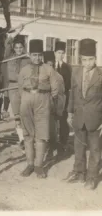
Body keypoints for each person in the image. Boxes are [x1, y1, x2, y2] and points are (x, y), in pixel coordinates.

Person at [18, 39, 59, 178]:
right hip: (27, 100)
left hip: (43, 101)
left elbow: (55, 89)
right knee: (28, 134)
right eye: (34, 55)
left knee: (41, 135)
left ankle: (39, 166)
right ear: (29, 55)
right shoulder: (24, 70)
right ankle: (30, 164)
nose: (36, 58)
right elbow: (19, 88)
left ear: (42, 55)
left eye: (39, 55)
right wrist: (25, 99)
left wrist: (48, 102)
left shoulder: (49, 69)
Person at [65, 39, 102, 190]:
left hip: (95, 119)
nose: (87, 63)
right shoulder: (76, 72)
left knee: (94, 149)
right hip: (79, 117)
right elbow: (72, 93)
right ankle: (79, 173)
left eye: (90, 60)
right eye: (84, 60)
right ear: (81, 59)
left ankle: (92, 177)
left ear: (95, 59)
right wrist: (69, 113)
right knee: (78, 146)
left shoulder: (100, 75)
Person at [4, 25, 29, 149]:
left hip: (24, 88)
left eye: (21, 47)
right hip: (13, 87)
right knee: (17, 115)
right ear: (14, 48)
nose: (19, 49)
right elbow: (7, 42)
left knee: (26, 113)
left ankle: (27, 137)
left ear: (23, 47)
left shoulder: (27, 59)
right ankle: (21, 139)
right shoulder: (9, 56)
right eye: (17, 47)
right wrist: (17, 32)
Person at [43, 50, 66, 158]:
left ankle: (51, 149)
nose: (49, 67)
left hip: (53, 109)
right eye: (47, 65)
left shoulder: (58, 77)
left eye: (51, 65)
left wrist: (59, 110)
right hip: (41, 109)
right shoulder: (39, 75)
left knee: (52, 130)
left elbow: (61, 96)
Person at [54, 41, 72, 152]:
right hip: (52, 97)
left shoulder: (67, 67)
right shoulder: (50, 65)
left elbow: (69, 84)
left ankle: (63, 142)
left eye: (62, 53)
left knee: (63, 120)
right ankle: (52, 141)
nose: (61, 55)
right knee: (52, 119)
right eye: (59, 52)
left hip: (64, 97)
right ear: (55, 53)